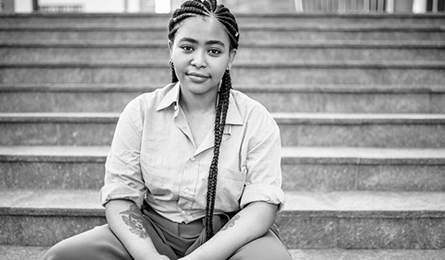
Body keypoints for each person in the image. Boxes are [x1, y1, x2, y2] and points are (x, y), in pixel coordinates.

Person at [42, 0, 292, 259]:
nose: (199, 61)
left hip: (228, 238)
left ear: (231, 58)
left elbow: (262, 206)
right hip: (150, 232)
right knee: (62, 256)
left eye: (214, 51)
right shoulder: (140, 112)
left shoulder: (256, 120)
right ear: (170, 50)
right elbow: (121, 196)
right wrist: (148, 256)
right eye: (187, 47)